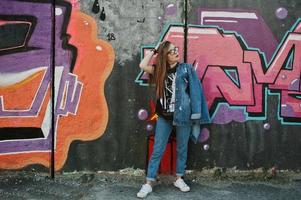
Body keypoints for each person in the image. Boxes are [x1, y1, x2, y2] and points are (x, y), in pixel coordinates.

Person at [137, 41, 210, 198]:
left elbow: (196, 91)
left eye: (176, 50)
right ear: (165, 56)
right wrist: (154, 51)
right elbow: (142, 65)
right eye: (171, 51)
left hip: (184, 115)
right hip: (164, 116)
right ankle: (149, 182)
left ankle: (178, 178)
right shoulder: (159, 71)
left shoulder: (186, 69)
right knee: (158, 149)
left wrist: (196, 113)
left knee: (182, 148)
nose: (176, 52)